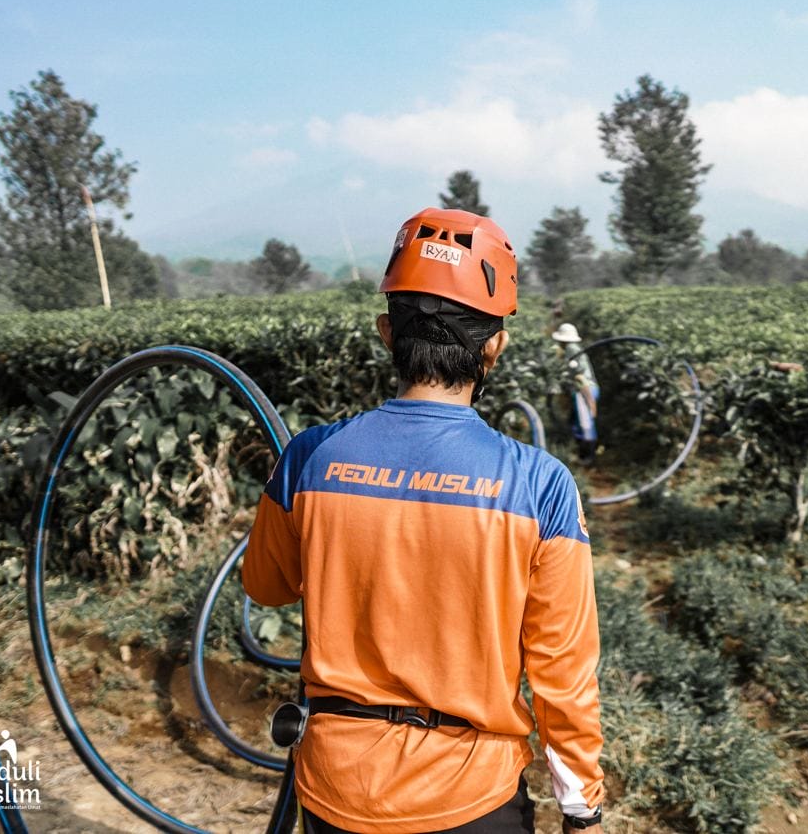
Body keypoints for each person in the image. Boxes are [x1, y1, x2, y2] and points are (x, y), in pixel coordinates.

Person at [243, 207, 604, 834]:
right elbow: (562, 672)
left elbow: (266, 587)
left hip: (335, 788)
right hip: (470, 795)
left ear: (387, 332)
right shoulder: (539, 485)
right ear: (495, 345)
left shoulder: (309, 458)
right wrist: (581, 808)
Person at [551, 323, 599, 463]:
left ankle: (588, 458)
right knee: (576, 422)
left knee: (585, 425)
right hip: (584, 390)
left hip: (584, 390)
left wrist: (590, 402)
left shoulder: (572, 349)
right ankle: (580, 453)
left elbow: (580, 376)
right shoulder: (571, 349)